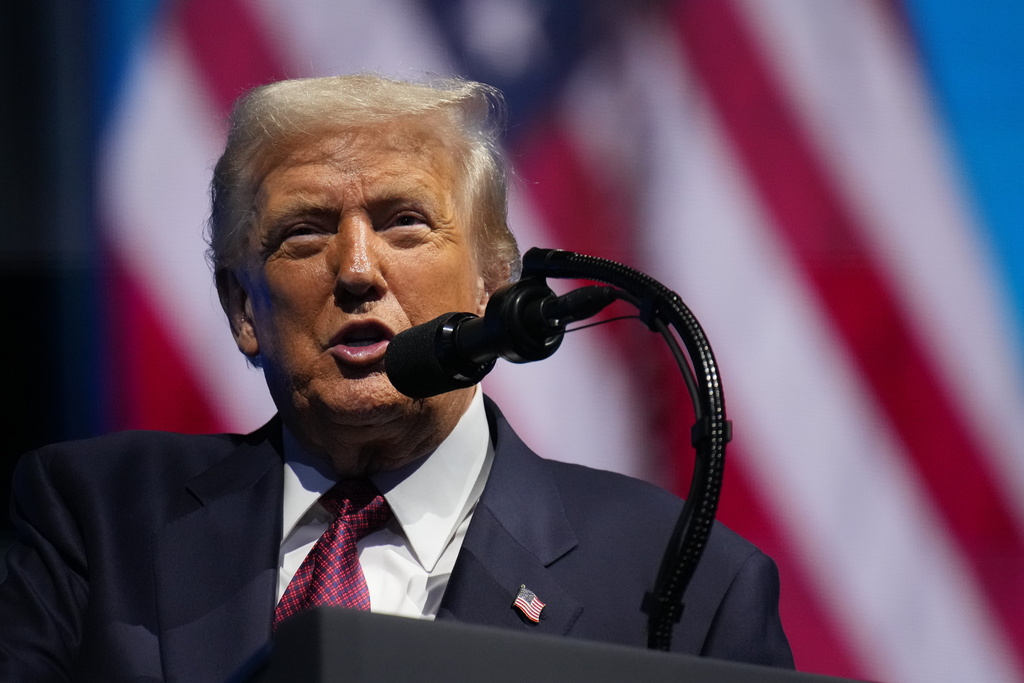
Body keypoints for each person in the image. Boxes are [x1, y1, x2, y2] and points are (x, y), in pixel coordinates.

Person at [0, 75, 793, 680]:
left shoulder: (682, 579)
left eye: (404, 223)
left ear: (491, 282)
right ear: (244, 308)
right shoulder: (93, 523)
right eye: (305, 233)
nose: (356, 270)